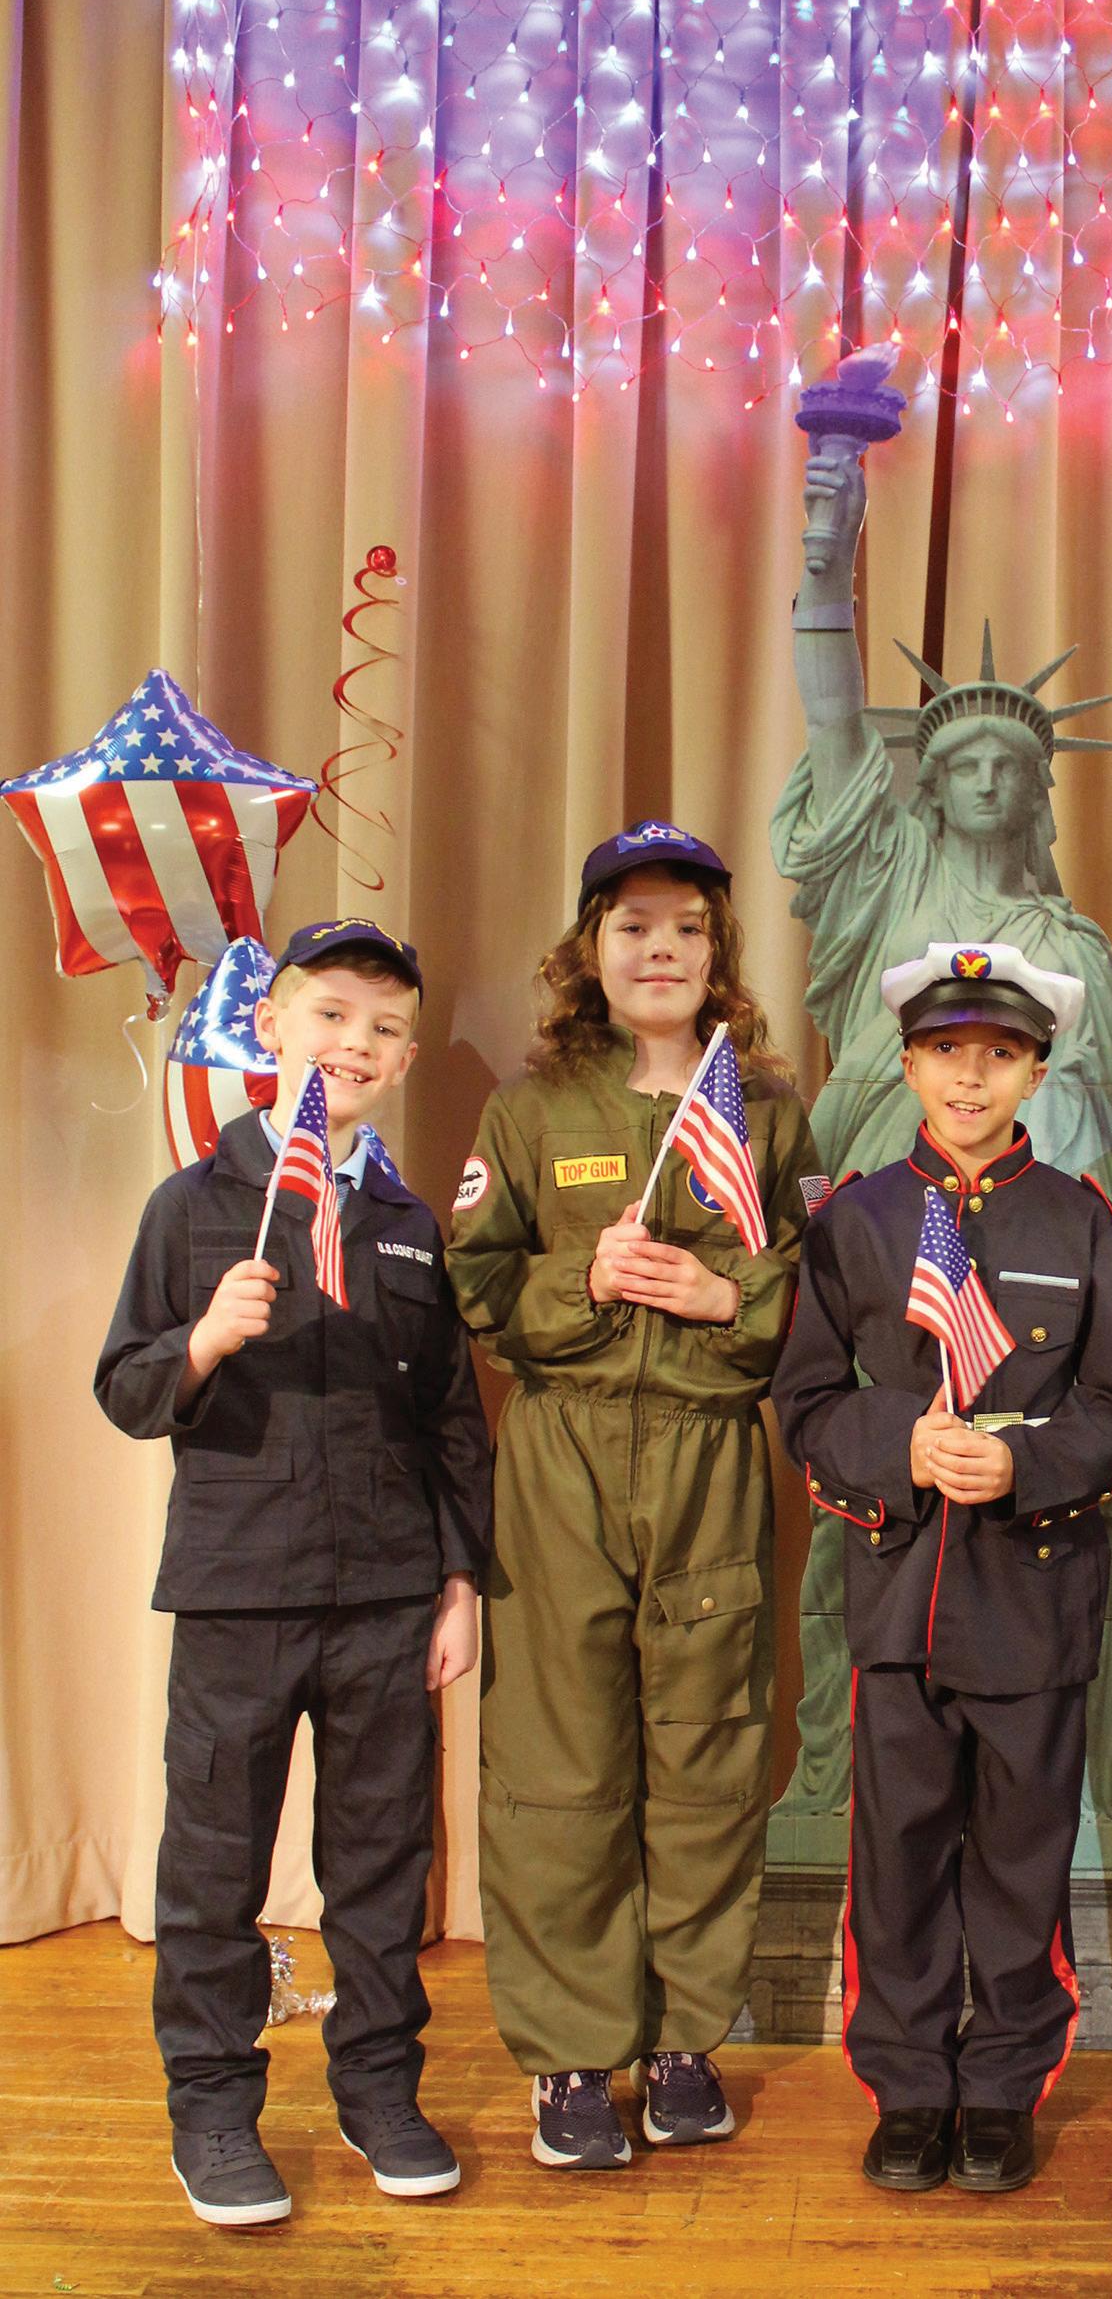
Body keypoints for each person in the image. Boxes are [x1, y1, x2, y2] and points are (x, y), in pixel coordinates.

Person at [771, 448, 1112, 1863]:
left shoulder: (1076, 946)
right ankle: (839, 1782)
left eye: (1014, 761)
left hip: (1053, 1288)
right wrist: (825, 558)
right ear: (931, 787)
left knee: (1071, 1556)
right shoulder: (886, 875)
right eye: (963, 763)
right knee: (865, 1534)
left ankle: (1080, 1805)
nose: (991, 777)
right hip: (896, 1259)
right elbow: (834, 723)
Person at [96, 919, 492, 2228]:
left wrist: (458, 1584)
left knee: (379, 1867)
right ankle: (212, 2111)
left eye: (384, 1028)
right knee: (214, 1868)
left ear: (407, 1055)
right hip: (237, 1591)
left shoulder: (409, 1223)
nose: (354, 1045)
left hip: (385, 1597)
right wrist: (204, 1340)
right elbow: (126, 1387)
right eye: (330, 1015)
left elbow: (450, 1421)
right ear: (270, 1026)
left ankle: (379, 2093)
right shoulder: (192, 1205)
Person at [446, 822, 820, 2171]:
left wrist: (727, 1295)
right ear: (588, 951)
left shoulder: (763, 1110)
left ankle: (682, 2042)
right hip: (562, 1459)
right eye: (633, 926)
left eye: (687, 928)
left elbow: (822, 1286)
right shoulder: (529, 1110)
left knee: (707, 1751)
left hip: (712, 1458)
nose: (661, 950)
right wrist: (580, 1280)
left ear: (718, 954)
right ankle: (569, 2055)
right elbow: (474, 1287)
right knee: (558, 1762)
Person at [772, 941, 1112, 2195]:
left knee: (1017, 1862)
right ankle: (906, 2086)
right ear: (906, 1065)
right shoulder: (856, 1221)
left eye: (998, 1054)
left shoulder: (1081, 1218)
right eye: (946, 1051)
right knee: (894, 1863)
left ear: (1036, 1073)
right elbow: (806, 1401)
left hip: (1032, 1599)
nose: (969, 1076)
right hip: (898, 1595)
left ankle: (998, 2087)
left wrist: (1022, 1462)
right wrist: (903, 1443)